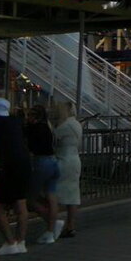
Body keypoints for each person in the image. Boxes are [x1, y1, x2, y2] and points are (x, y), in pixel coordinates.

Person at [0, 98, 31, 254]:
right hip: (24, 163)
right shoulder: (15, 122)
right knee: (21, 204)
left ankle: (9, 241)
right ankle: (21, 241)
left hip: (9, 165)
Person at [24, 104, 61, 244]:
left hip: (41, 162)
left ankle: (51, 221)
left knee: (30, 198)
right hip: (53, 161)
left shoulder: (33, 129)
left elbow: (31, 146)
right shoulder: (48, 127)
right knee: (51, 195)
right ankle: (51, 229)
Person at [51, 100, 81, 239]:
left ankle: (53, 223)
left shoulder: (65, 125)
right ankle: (71, 225)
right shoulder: (77, 124)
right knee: (73, 194)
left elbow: (54, 136)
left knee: (54, 192)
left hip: (64, 159)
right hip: (75, 159)